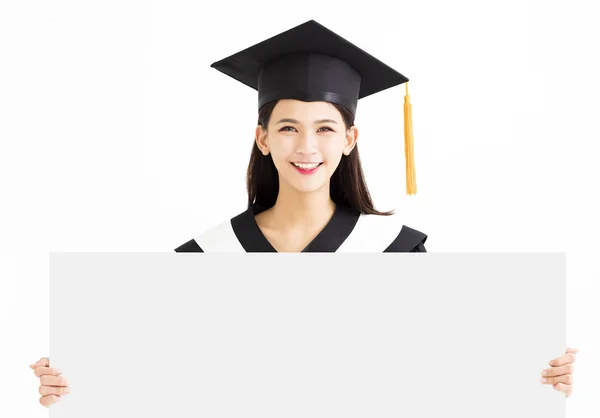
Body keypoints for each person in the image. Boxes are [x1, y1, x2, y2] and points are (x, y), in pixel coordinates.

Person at [29, 19, 579, 407]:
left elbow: (451, 367)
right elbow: (153, 373)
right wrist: (74, 383)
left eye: (325, 127)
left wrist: (534, 374)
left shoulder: (397, 251)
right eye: (288, 127)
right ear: (263, 139)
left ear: (351, 138)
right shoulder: (205, 257)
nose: (307, 147)